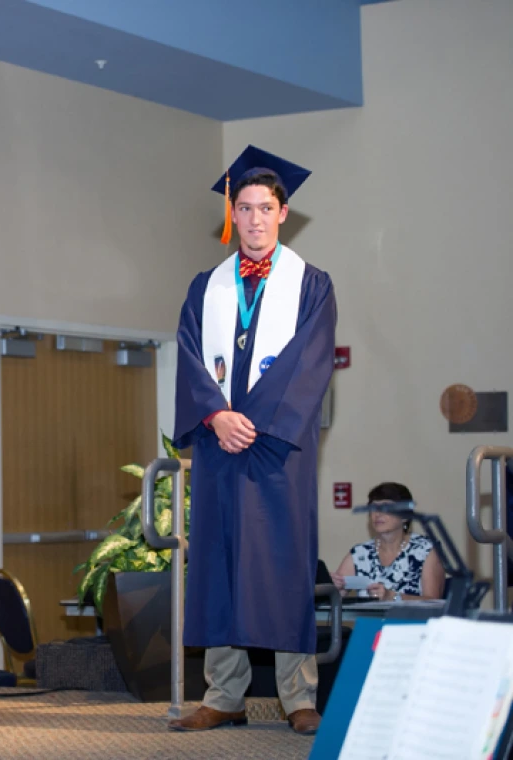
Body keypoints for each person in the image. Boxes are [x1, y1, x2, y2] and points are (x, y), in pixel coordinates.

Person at [167, 146, 337, 736]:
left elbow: (308, 364)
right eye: (245, 208)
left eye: (266, 208)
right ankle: (224, 695)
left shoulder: (311, 286)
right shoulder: (205, 287)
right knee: (217, 562)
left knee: (280, 563)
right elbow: (189, 356)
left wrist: (253, 423)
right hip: (219, 447)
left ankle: (297, 697)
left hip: (275, 450)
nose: (256, 219)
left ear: (283, 213)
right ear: (232, 215)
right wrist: (215, 417)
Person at [331, 482, 445, 601]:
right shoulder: (360, 553)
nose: (378, 514)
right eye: (373, 508)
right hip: (368, 620)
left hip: (411, 620)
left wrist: (392, 597)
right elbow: (336, 597)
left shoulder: (425, 550)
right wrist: (336, 588)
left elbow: (433, 602)